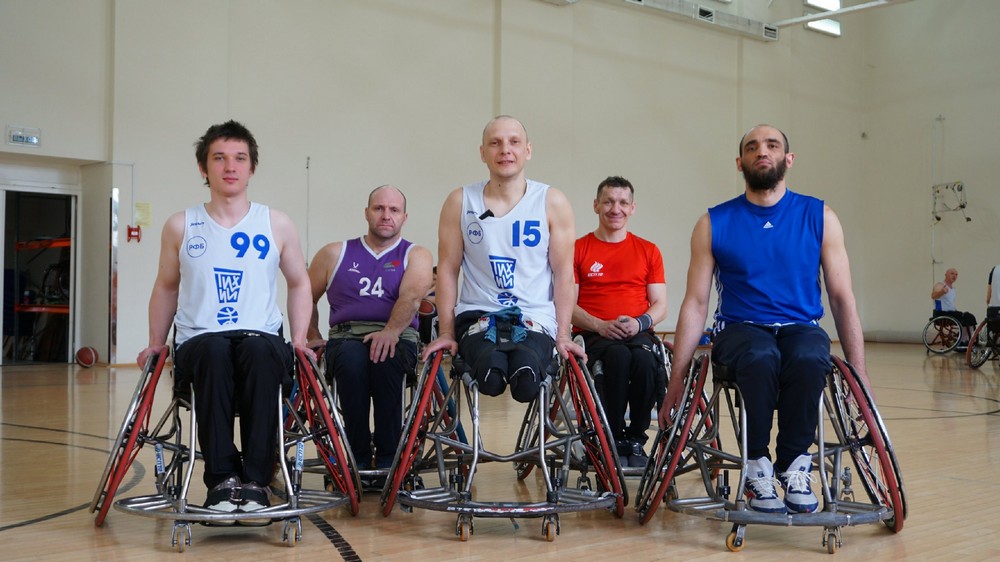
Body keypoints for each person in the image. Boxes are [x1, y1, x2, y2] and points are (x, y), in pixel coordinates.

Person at [658, 124, 869, 515]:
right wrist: (677, 378)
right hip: (740, 329)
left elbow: (842, 298)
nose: (762, 152)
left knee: (809, 356)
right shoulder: (713, 223)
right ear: (740, 163)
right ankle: (756, 466)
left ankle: (794, 465)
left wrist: (859, 374)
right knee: (760, 355)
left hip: (800, 327)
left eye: (772, 145)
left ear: (788, 159)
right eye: (752, 147)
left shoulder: (820, 216)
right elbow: (696, 303)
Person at [137, 120, 314, 516]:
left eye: (239, 158)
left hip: (261, 336)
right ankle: (220, 481)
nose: (230, 166)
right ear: (204, 167)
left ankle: (256, 481)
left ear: (252, 167)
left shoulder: (276, 223)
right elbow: (166, 287)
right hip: (200, 340)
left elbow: (299, 282)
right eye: (219, 158)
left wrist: (300, 338)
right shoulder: (181, 224)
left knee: (259, 352)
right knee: (214, 352)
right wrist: (155, 342)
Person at [423, 115, 584, 403]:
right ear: (482, 152)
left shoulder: (552, 202)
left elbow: (563, 273)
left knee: (527, 379)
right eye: (495, 143)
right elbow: (447, 270)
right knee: (490, 376)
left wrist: (563, 334)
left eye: (514, 142)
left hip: (535, 317)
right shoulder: (460, 201)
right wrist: (446, 332)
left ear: (528, 150)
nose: (505, 150)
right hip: (478, 316)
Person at [307, 185, 433, 475]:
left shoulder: (416, 254)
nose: (386, 215)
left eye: (394, 210)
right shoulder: (334, 253)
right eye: (379, 208)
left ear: (404, 217)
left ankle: (389, 458)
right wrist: (312, 335)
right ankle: (357, 457)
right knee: (351, 364)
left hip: (398, 336)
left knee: (386, 360)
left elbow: (411, 297)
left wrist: (390, 331)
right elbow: (305, 297)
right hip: (346, 336)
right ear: (366, 213)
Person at [572, 176, 667, 467]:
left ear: (632, 208)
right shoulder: (578, 249)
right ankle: (611, 437)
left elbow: (661, 304)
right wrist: (599, 324)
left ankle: (635, 439)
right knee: (617, 356)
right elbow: (566, 305)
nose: (616, 209)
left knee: (644, 360)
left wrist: (640, 322)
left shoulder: (648, 250)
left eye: (623, 203)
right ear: (596, 205)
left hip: (637, 332)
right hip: (594, 334)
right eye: (609, 202)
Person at [932, 268, 977, 348]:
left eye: (956, 274)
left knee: (970, 317)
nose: (954, 276)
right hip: (941, 313)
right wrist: (942, 291)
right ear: (946, 275)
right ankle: (962, 340)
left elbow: (950, 304)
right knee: (967, 317)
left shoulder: (953, 289)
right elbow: (933, 296)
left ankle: (966, 340)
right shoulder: (940, 285)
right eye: (952, 273)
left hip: (951, 313)